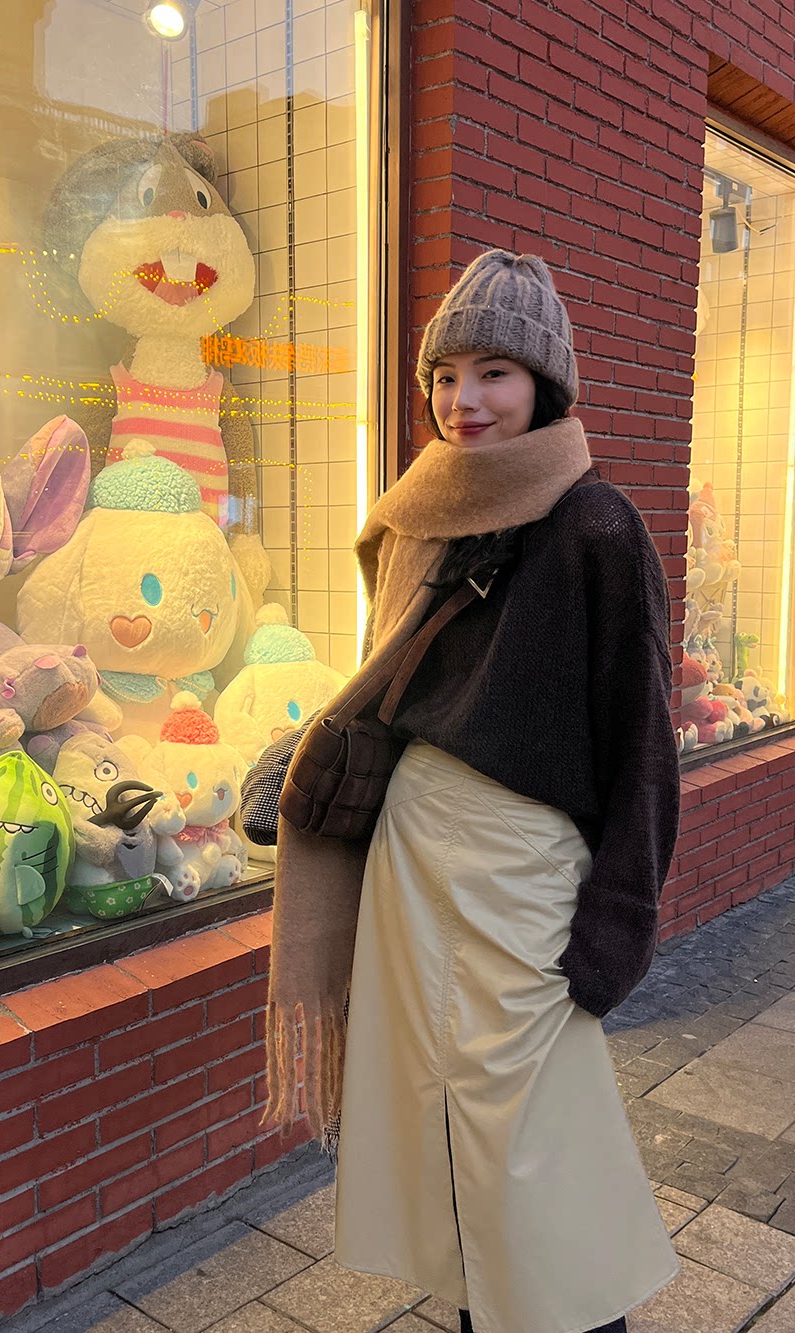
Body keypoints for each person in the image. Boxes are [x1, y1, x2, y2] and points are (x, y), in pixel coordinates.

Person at [257, 250, 682, 1333]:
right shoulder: (417, 515)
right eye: (446, 375)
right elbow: (389, 683)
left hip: (523, 878)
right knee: (442, 1138)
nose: (465, 400)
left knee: (535, 1149)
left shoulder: (594, 525)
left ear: (545, 383)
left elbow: (642, 743)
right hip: (413, 871)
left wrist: (619, 922)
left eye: (494, 372)